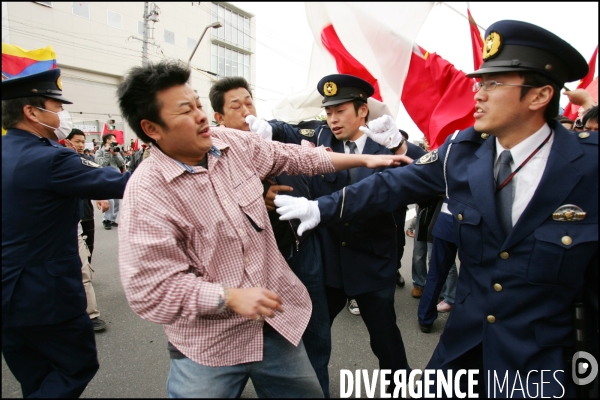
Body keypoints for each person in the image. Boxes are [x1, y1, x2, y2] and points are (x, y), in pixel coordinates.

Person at [276, 20, 597, 397]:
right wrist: (321, 208)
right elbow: (390, 185)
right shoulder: (463, 153)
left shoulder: (588, 167)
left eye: (493, 84)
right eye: (479, 83)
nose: (477, 94)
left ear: (540, 96)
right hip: (462, 349)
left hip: (541, 362)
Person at [115, 60, 404, 398]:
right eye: (185, 111)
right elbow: (149, 290)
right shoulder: (147, 193)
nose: (201, 116)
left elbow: (296, 158)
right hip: (209, 347)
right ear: (152, 128)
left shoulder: (231, 144)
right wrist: (229, 298)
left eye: (198, 104)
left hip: (275, 326)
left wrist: (365, 159)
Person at [251, 73, 422, 392]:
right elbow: (289, 130)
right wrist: (270, 127)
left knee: (386, 343)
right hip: (330, 263)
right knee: (312, 338)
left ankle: (400, 388)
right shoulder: (319, 139)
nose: (332, 118)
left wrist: (400, 144)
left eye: (340, 111)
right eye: (328, 112)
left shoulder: (384, 143)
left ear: (362, 111)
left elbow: (421, 170)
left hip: (372, 261)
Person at [2, 68, 130, 397]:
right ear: (31, 111)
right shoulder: (51, 159)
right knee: (76, 365)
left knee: (35, 375)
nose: (61, 114)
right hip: (45, 293)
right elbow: (126, 184)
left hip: (8, 292)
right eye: (55, 106)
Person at [208, 76, 333, 397]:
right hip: (253, 266)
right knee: (263, 341)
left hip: (303, 251)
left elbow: (307, 145)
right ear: (219, 118)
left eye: (249, 101)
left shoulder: (272, 138)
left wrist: (274, 133)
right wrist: (255, 191)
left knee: (316, 335)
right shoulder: (209, 153)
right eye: (236, 106)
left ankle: (317, 389)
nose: (246, 110)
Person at [65, 128, 111, 331]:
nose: (81, 144)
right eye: (77, 141)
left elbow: (98, 175)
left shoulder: (84, 159)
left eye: (83, 141)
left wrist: (100, 195)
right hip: (57, 225)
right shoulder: (57, 156)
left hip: (81, 213)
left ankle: (90, 314)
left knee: (85, 263)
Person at [417, 197, 459, 333]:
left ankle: (425, 317)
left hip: (447, 217)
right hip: (474, 220)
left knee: (435, 273)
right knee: (473, 276)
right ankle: (464, 322)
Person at [95, 133, 125, 230]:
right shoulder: (99, 151)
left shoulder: (115, 149)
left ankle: (112, 219)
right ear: (107, 140)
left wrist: (115, 154)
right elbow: (101, 164)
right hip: (105, 177)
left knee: (116, 201)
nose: (115, 141)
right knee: (110, 200)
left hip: (116, 177)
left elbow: (121, 163)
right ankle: (106, 220)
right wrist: (107, 152)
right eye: (113, 139)